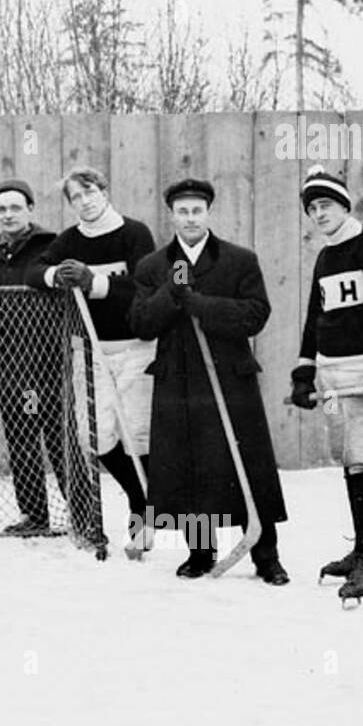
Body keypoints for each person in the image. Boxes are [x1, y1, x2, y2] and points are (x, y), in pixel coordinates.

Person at [129, 178, 289, 585]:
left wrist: (199, 304)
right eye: (182, 211)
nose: (190, 218)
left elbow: (256, 314)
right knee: (188, 467)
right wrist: (171, 291)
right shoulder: (152, 267)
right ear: (172, 216)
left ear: (208, 213)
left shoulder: (239, 260)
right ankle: (200, 552)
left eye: (197, 210)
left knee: (246, 465)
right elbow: (142, 323)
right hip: (177, 384)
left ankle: (266, 556)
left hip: (230, 379)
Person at [290, 165, 363, 603]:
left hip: (362, 369)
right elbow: (314, 319)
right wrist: (304, 371)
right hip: (330, 370)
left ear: (344, 204)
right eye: (312, 208)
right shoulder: (325, 255)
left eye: (326, 205)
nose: (319, 213)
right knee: (348, 460)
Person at [29, 166, 157, 560]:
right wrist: (55, 274)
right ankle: (145, 497)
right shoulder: (69, 240)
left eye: (89, 193)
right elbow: (33, 271)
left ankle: (141, 519)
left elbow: (144, 285)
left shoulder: (134, 233)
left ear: (104, 191)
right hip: (90, 350)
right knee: (95, 435)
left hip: (136, 347)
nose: (84, 202)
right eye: (75, 197)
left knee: (137, 433)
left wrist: (95, 283)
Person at [0, 178, 101, 547]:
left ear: (30, 208)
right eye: (1, 208)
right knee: (22, 439)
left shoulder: (51, 247)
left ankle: (83, 513)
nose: (8, 214)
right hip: (9, 373)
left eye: (16, 207)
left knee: (62, 441)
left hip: (47, 366)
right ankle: (34, 513)